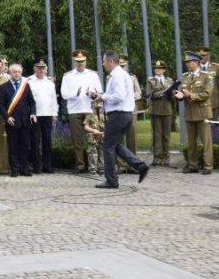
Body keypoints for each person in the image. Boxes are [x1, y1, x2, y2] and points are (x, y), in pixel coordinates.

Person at [89, 52, 149, 189]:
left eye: (104, 61)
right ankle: (140, 166)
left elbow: (119, 96)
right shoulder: (121, 75)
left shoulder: (117, 76)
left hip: (119, 114)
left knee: (107, 146)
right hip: (124, 114)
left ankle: (111, 180)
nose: (103, 64)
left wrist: (102, 97)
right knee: (114, 144)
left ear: (110, 61)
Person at [61, 50, 103, 173]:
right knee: (77, 139)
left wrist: (93, 94)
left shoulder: (93, 75)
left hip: (90, 109)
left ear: (86, 61)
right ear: (74, 62)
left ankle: (96, 165)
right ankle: (80, 165)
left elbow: (99, 92)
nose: (80, 64)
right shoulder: (68, 76)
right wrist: (76, 93)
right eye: (78, 62)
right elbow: (64, 94)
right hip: (75, 110)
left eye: (82, 61)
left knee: (94, 137)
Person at [177, 52, 214, 174]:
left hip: (203, 112)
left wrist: (191, 95)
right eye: (186, 62)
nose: (187, 64)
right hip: (190, 112)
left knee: (206, 141)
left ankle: (208, 166)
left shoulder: (207, 76)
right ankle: (193, 165)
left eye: (189, 62)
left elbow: (207, 94)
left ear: (197, 62)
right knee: (191, 142)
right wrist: (179, 96)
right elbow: (183, 92)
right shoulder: (185, 76)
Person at [0, 63, 36, 177]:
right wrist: (7, 117)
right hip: (12, 121)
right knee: (13, 146)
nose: (17, 74)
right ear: (10, 73)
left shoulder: (26, 86)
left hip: (25, 121)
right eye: (14, 72)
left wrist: (33, 113)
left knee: (25, 146)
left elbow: (32, 102)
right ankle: (14, 169)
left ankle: (24, 168)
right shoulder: (3, 87)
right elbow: (1, 105)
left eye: (19, 72)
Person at [27, 60, 58, 174]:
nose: (41, 70)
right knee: (35, 141)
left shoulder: (50, 83)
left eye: (43, 68)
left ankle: (47, 166)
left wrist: (55, 114)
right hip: (35, 115)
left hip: (47, 114)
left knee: (47, 141)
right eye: (38, 68)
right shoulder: (29, 81)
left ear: (46, 69)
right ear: (34, 69)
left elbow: (53, 100)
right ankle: (36, 166)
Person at [145, 61, 175, 166]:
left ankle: (166, 157)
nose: (157, 70)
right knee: (157, 135)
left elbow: (172, 97)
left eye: (160, 68)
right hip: (155, 110)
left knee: (166, 135)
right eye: (156, 68)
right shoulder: (150, 80)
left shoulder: (169, 80)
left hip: (167, 109)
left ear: (164, 70)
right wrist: (163, 93)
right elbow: (148, 94)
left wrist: (172, 93)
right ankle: (157, 157)